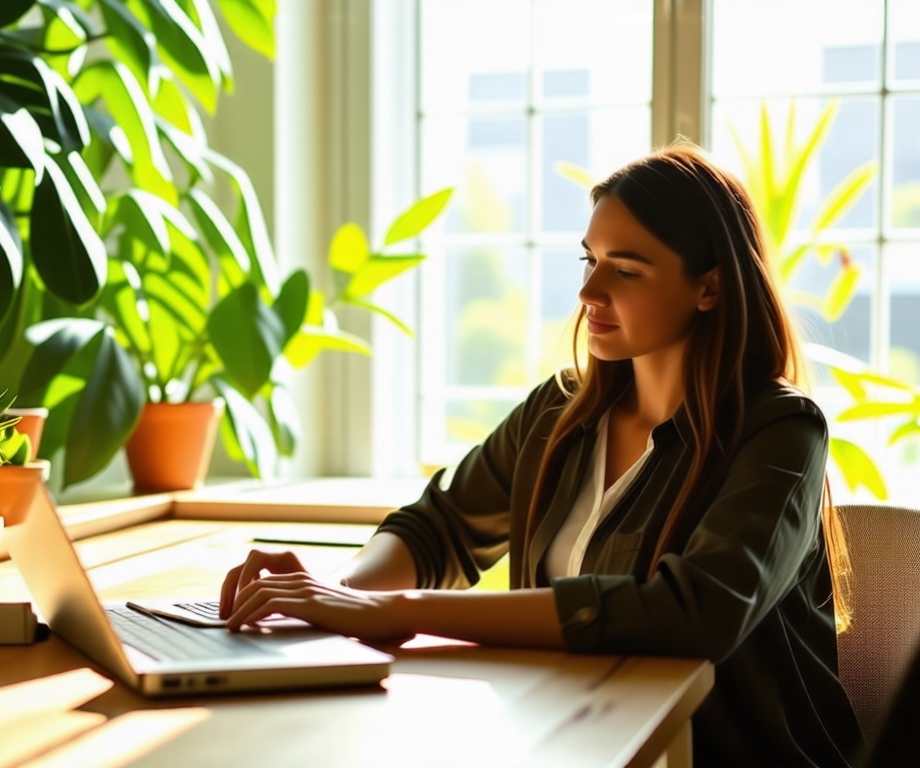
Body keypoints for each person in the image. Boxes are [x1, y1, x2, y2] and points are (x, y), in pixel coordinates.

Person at [219, 143, 865, 766]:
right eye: (590, 260)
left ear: (710, 288)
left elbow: (694, 612)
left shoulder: (780, 431)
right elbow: (438, 528)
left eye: (626, 271)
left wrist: (398, 611)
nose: (590, 292)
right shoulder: (558, 413)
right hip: (564, 737)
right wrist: (334, 594)